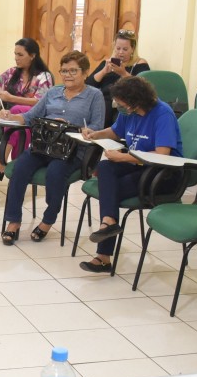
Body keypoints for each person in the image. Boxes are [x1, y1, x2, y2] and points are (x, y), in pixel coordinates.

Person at [77, 75, 181, 273]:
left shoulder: (162, 114)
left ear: (136, 103)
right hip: (138, 165)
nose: (119, 107)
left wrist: (123, 158)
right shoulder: (129, 112)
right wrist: (95, 133)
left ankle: (103, 256)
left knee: (110, 192)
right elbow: (116, 132)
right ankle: (109, 223)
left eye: (123, 104)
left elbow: (162, 154)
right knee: (106, 167)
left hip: (162, 173)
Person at [0, 51, 104, 244]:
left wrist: (77, 128)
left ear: (85, 72)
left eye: (73, 70)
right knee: (19, 168)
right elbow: (31, 116)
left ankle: (48, 220)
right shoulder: (53, 92)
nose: (68, 75)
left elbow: (97, 126)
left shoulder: (94, 96)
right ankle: (13, 221)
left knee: (55, 173)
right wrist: (11, 117)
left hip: (72, 150)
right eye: (64, 70)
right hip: (43, 145)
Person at [0, 37, 54, 179]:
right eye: (15, 54)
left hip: (35, 120)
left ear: (33, 55)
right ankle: (16, 167)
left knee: (17, 111)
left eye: (20, 55)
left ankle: (2, 163)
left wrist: (11, 99)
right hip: (9, 118)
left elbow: (42, 103)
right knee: (14, 114)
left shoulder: (43, 76)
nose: (16, 58)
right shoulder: (11, 73)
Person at [87, 29, 150, 126]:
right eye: (118, 48)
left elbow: (143, 88)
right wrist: (104, 71)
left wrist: (123, 73)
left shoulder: (139, 64)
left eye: (125, 49)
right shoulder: (107, 63)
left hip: (126, 104)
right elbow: (88, 85)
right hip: (105, 103)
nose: (120, 52)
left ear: (132, 49)